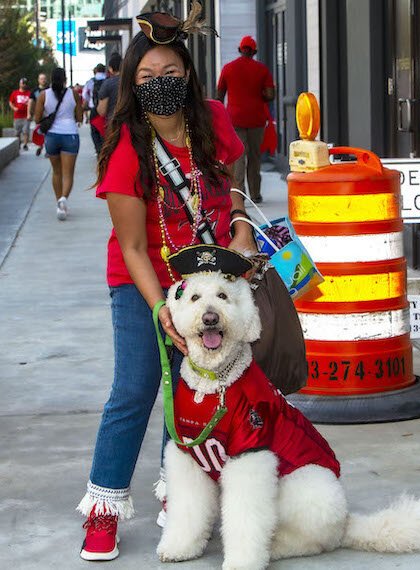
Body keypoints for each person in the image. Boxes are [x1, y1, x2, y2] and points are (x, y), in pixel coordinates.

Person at [76, 8, 255, 562]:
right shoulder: (128, 145)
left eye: (169, 72)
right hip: (144, 284)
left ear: (189, 74)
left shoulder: (215, 120)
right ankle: (103, 511)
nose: (160, 84)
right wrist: (161, 312)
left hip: (209, 281)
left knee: (192, 392)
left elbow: (238, 191)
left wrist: (244, 234)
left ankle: (177, 496)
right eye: (147, 77)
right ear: (132, 84)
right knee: (134, 390)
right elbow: (132, 248)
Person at [217, 36, 275, 204]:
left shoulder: (228, 68)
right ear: (254, 51)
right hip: (256, 120)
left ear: (240, 49)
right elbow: (270, 95)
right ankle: (255, 194)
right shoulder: (262, 70)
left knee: (238, 158)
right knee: (255, 158)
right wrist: (260, 94)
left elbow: (219, 96)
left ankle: (239, 196)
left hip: (234, 120)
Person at [34, 67, 83, 221]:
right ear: (65, 79)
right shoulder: (73, 94)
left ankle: (59, 203)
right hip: (70, 135)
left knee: (56, 172)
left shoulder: (43, 95)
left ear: (51, 79)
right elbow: (80, 117)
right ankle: (63, 199)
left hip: (52, 136)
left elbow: (36, 118)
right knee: (68, 174)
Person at [82, 64, 107, 154]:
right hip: (107, 109)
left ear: (95, 71)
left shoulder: (90, 82)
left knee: (94, 131)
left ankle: (98, 149)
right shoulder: (107, 80)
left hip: (94, 109)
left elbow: (85, 95)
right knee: (106, 130)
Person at [97, 52, 122, 121]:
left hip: (113, 123)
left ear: (110, 69)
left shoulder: (107, 84)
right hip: (132, 126)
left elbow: (102, 111)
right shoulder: (133, 81)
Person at [28, 73, 48, 156]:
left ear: (46, 80)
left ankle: (48, 150)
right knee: (40, 131)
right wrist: (29, 113)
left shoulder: (49, 90)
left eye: (44, 78)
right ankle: (40, 146)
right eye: (41, 78)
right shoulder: (35, 91)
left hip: (48, 114)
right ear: (38, 80)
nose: (43, 80)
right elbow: (30, 102)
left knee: (48, 131)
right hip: (38, 114)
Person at [9, 77, 31, 150]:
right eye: (23, 83)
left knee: (26, 131)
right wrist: (14, 108)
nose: (24, 85)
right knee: (17, 132)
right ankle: (18, 144)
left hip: (26, 116)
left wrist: (30, 112)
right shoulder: (15, 93)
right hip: (17, 116)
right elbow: (10, 102)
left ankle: (25, 145)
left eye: (25, 83)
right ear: (20, 84)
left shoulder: (29, 93)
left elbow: (32, 103)